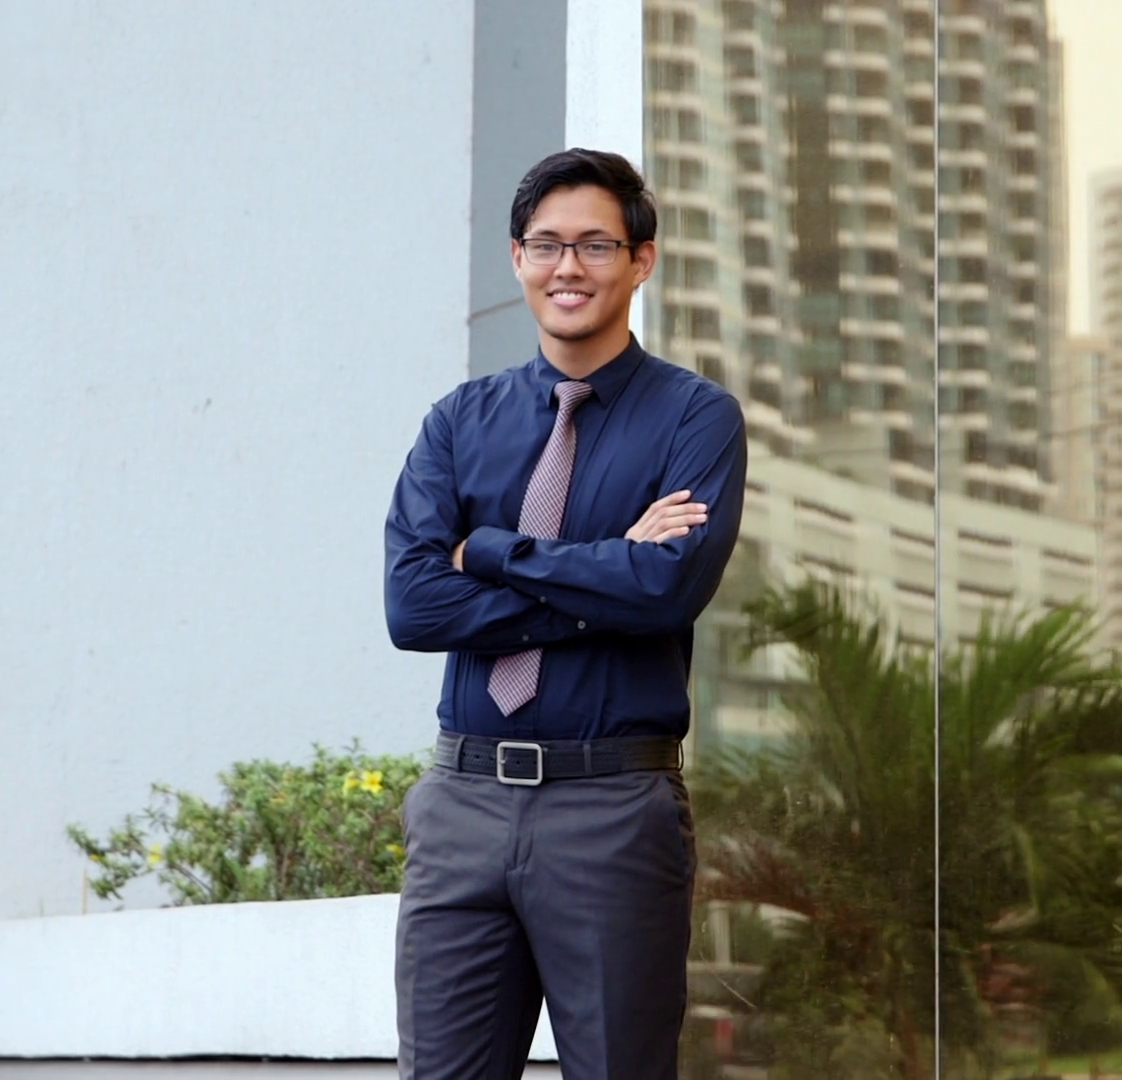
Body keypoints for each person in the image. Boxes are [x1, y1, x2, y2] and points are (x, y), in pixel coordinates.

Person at [382, 148, 747, 1079]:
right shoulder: (458, 422)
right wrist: (605, 574)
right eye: (546, 244)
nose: (567, 267)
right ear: (517, 259)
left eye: (595, 244)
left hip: (611, 808)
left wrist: (489, 550)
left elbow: (666, 588)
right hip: (461, 804)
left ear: (641, 260)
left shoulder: (695, 420)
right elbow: (413, 605)